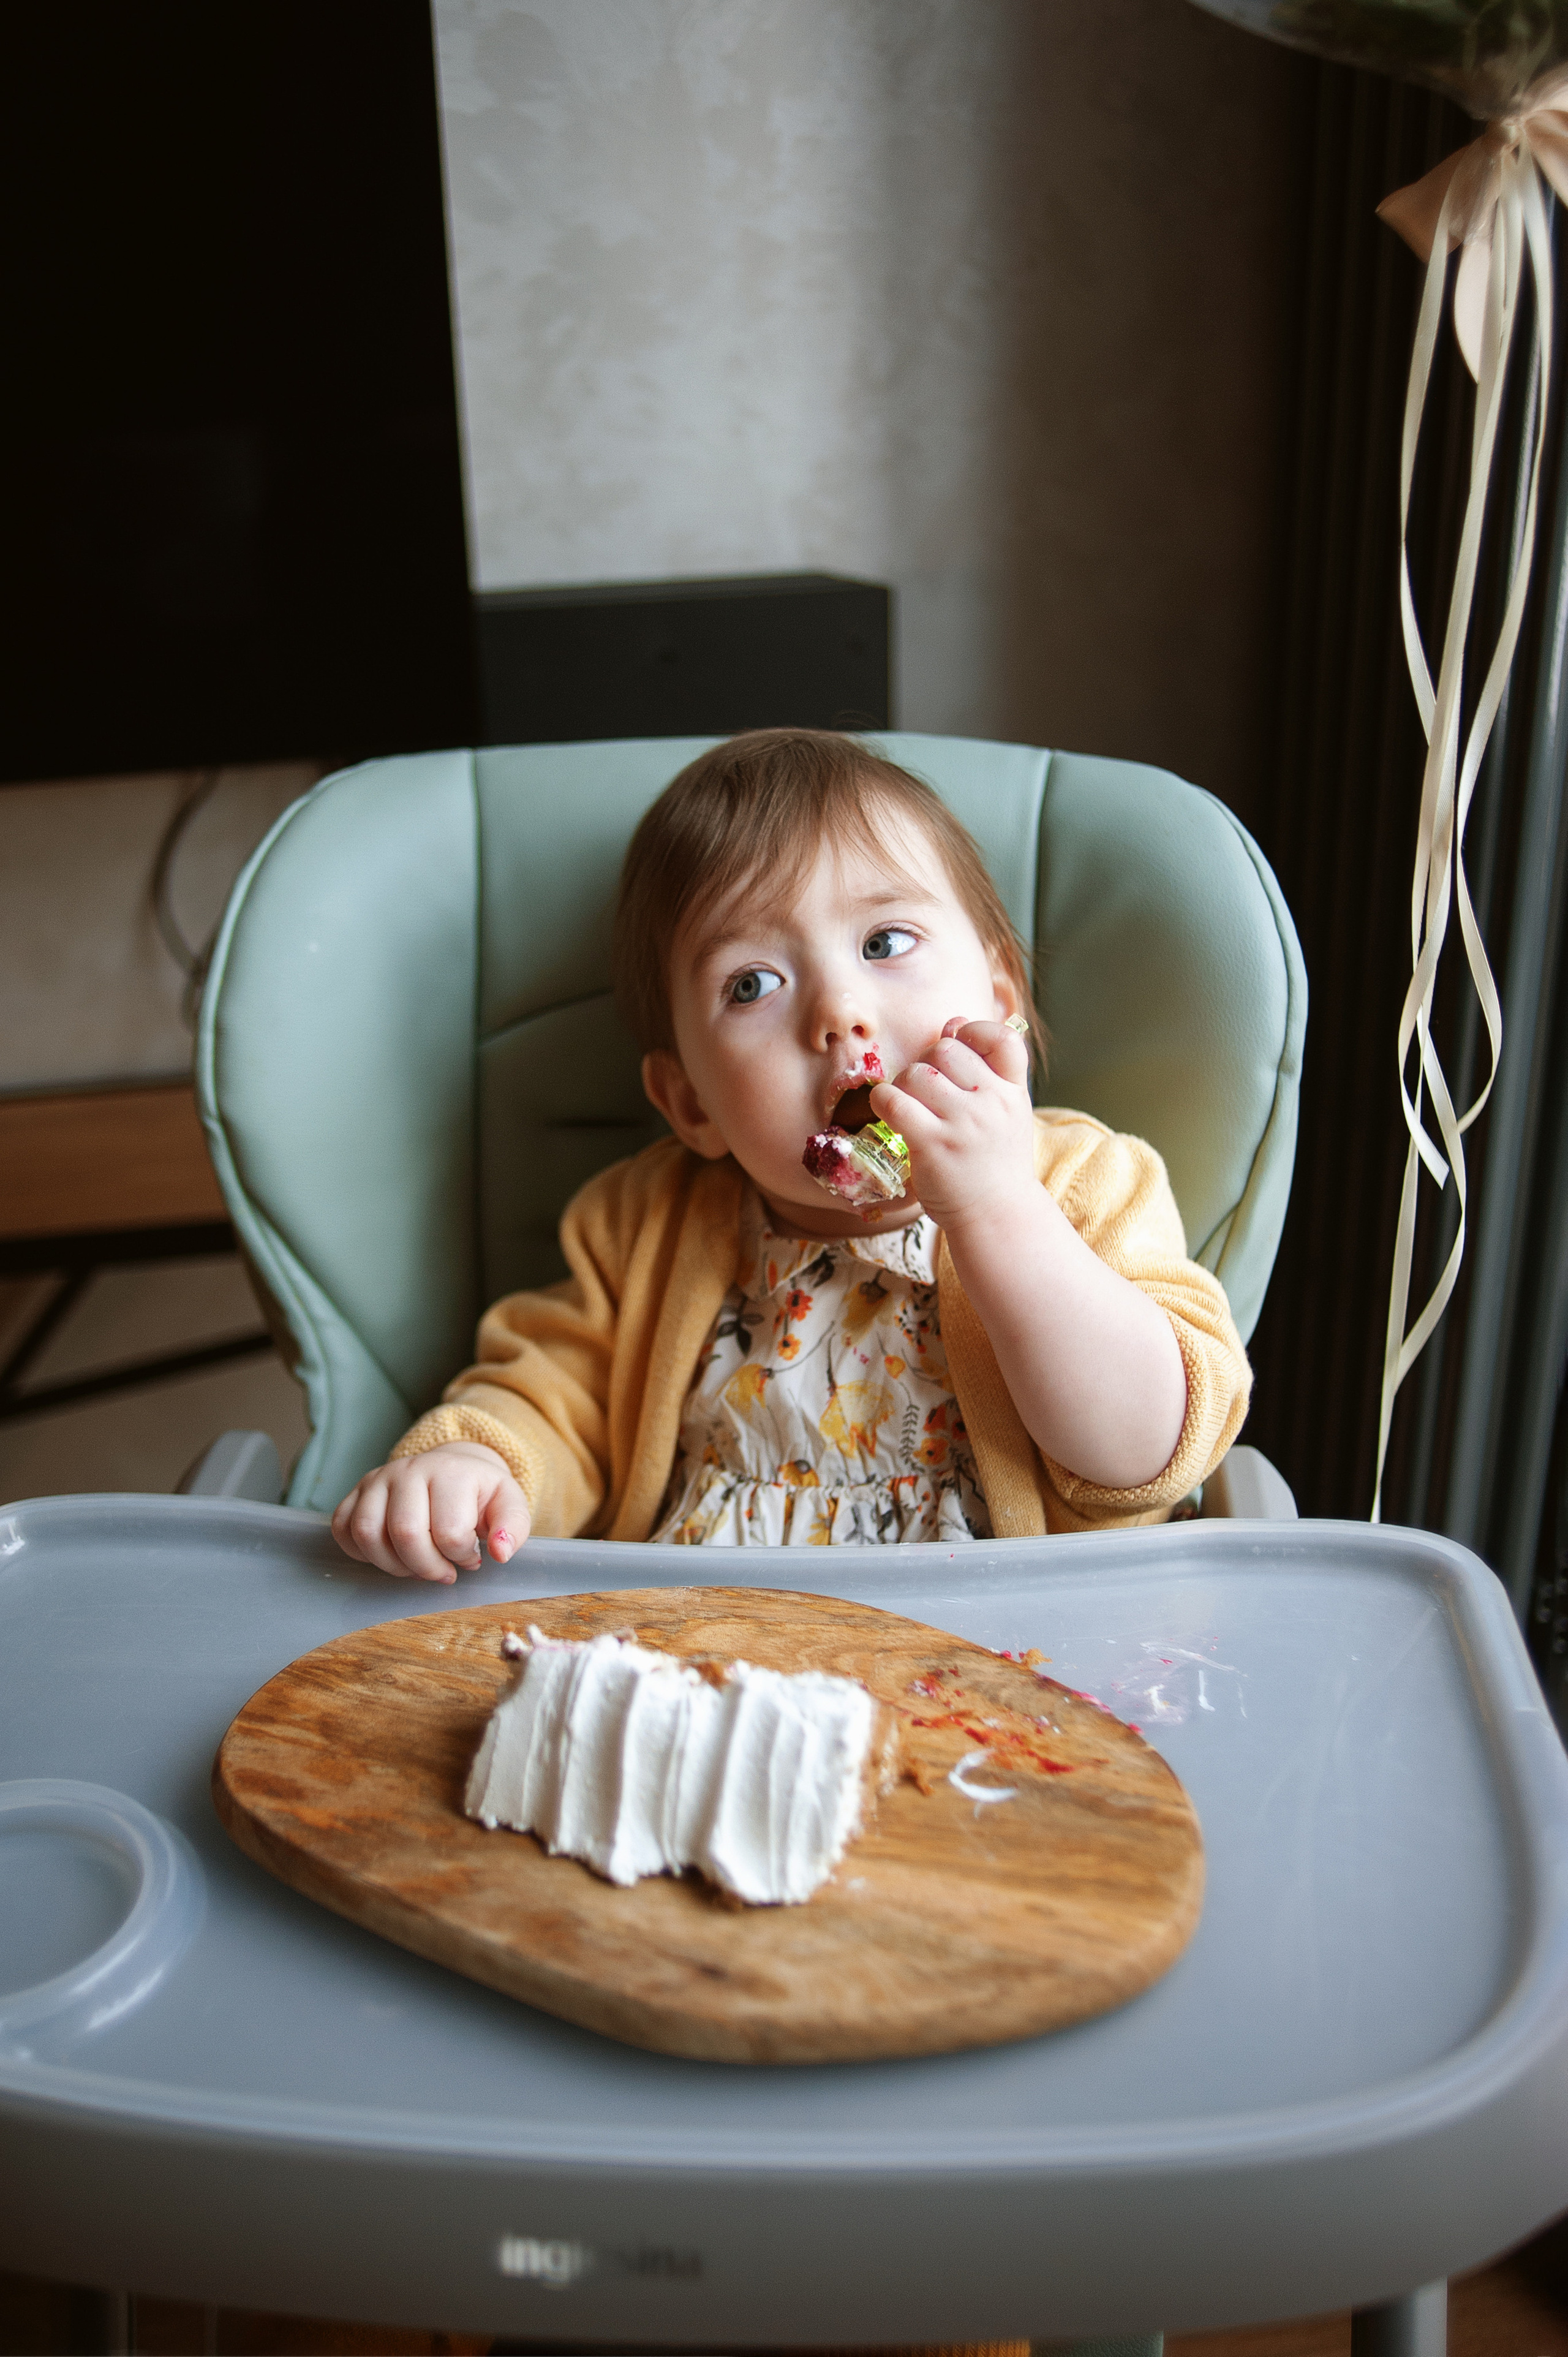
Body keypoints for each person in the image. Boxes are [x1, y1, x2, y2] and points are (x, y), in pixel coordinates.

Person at [332, 729, 1250, 1581]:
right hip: (699, 1656)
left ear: (999, 998)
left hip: (1004, 1663)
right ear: (692, 1104)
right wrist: (478, 1462)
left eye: (886, 942)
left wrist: (997, 1209)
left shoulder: (1082, 1184)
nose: (838, 1012)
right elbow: (555, 1401)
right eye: (753, 984)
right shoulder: (642, 1222)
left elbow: (1147, 1458)